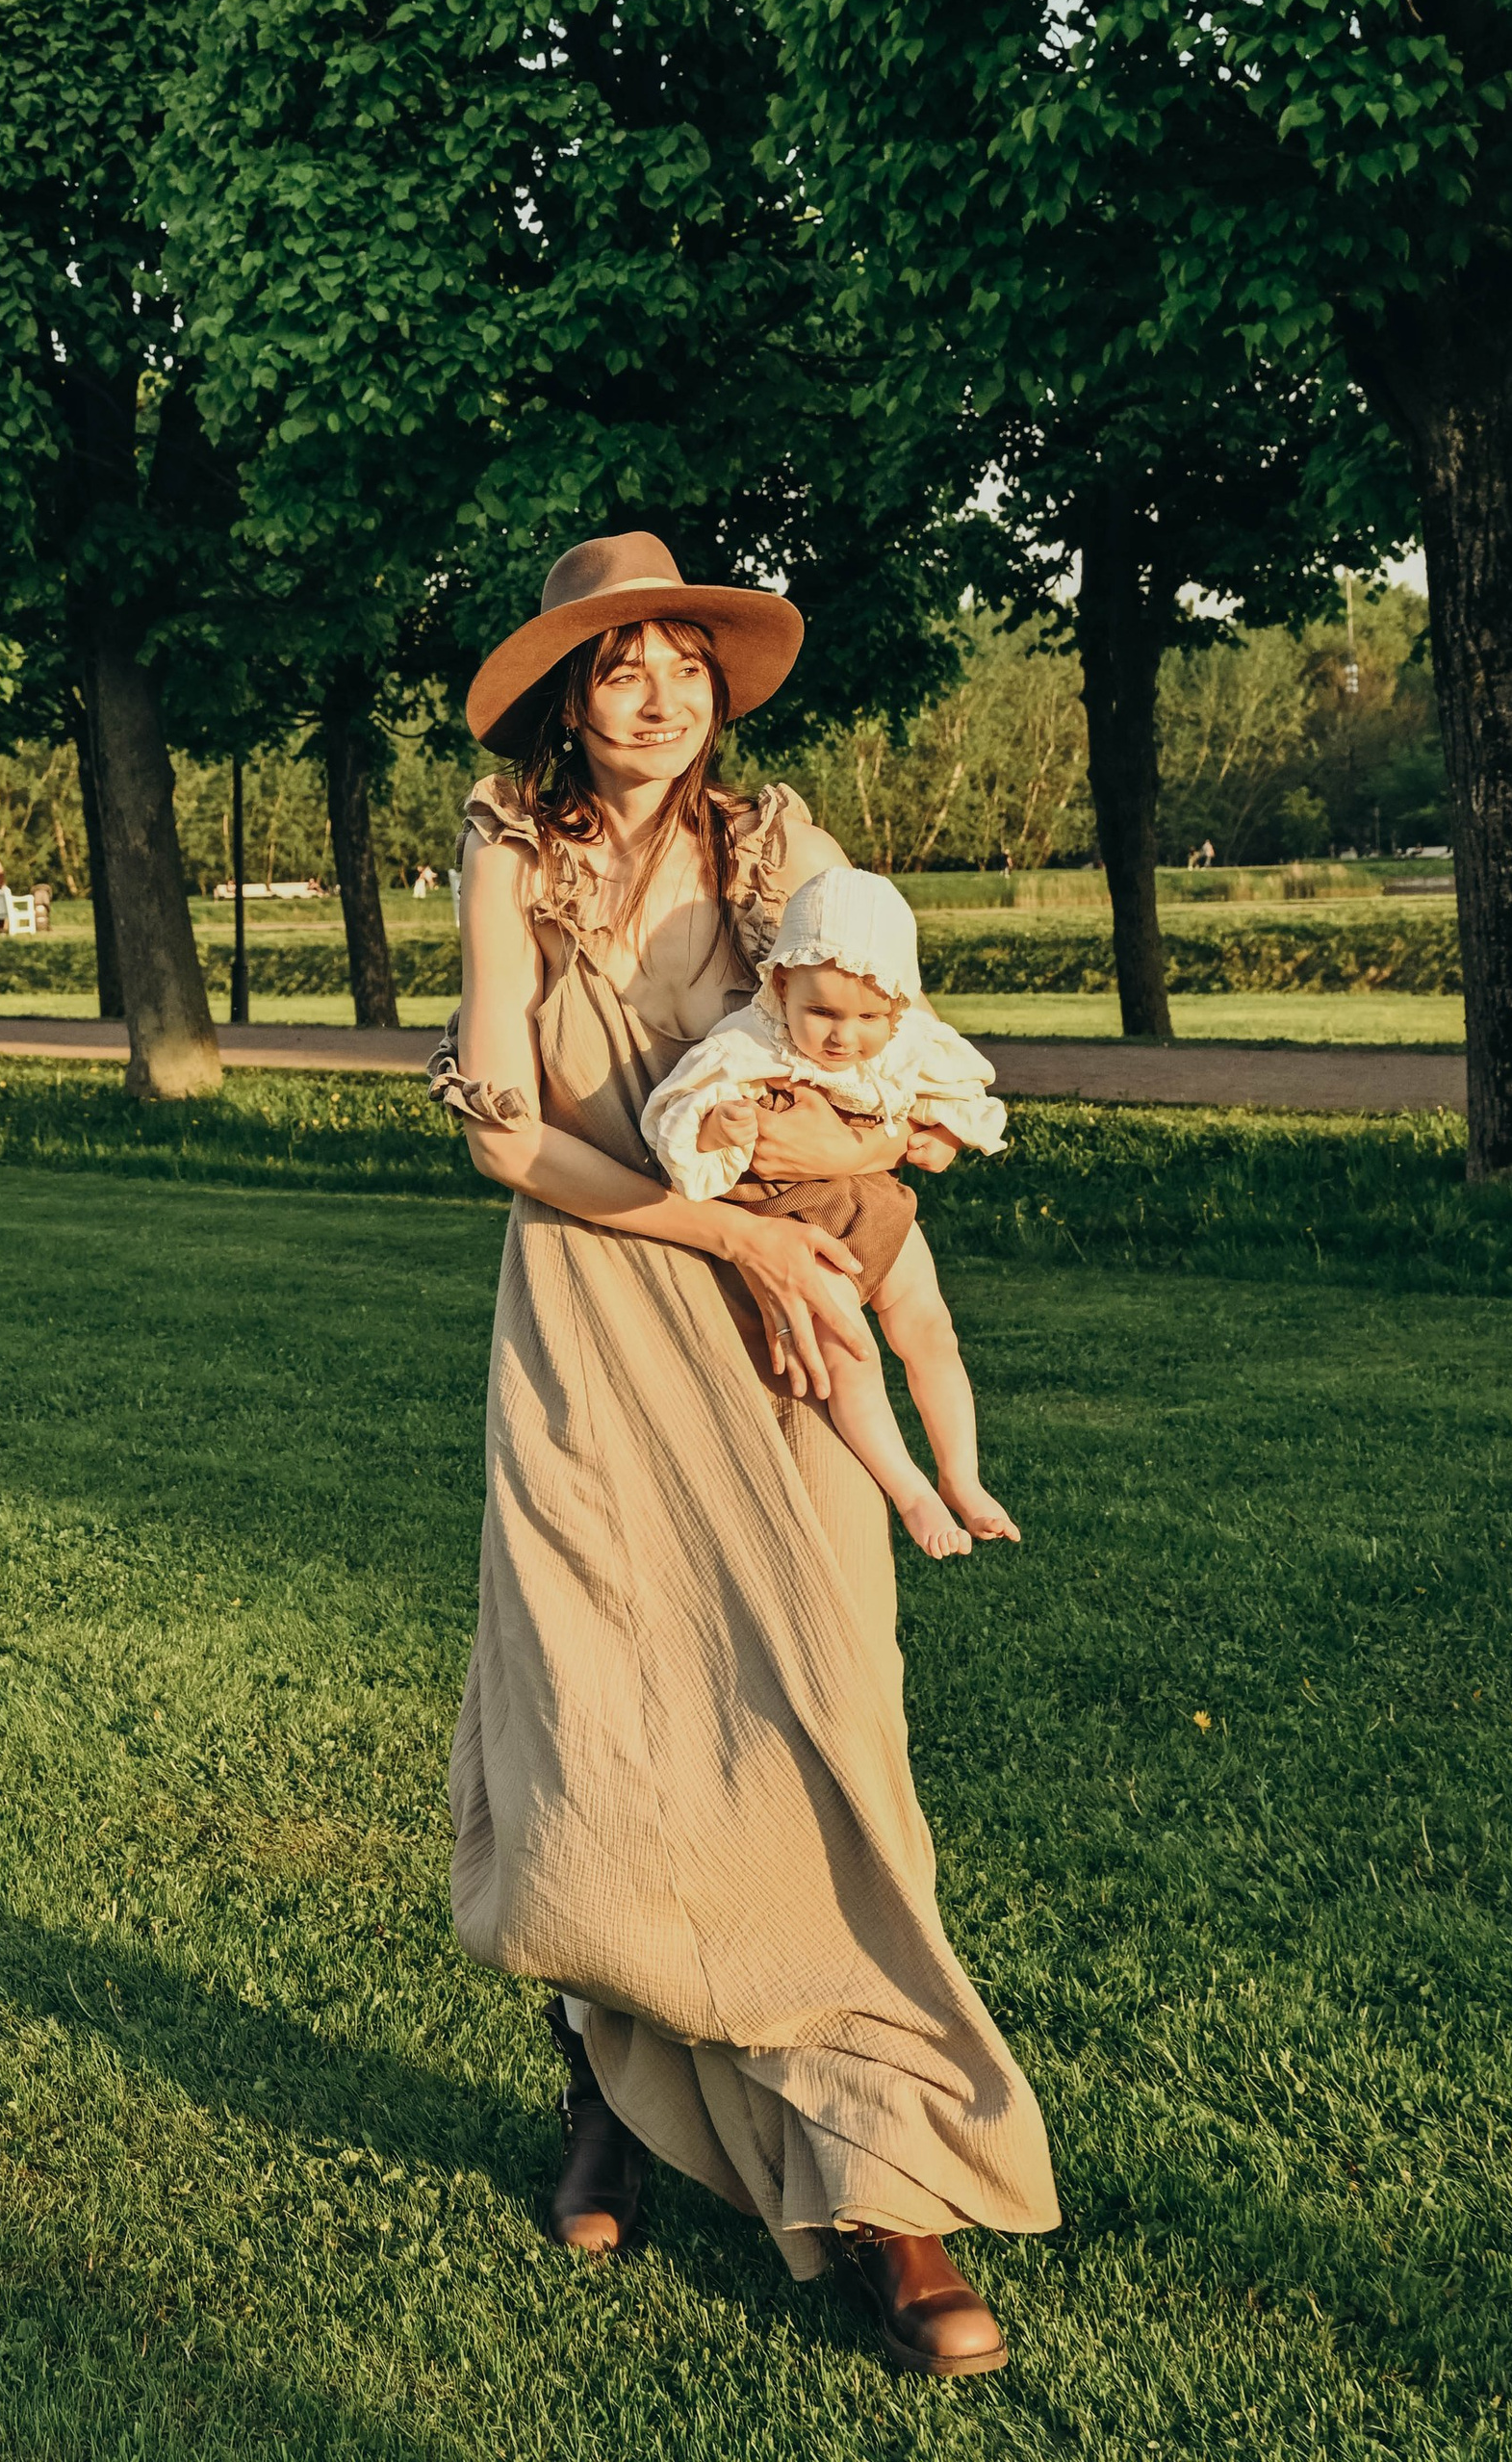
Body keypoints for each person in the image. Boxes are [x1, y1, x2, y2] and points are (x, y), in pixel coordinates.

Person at [435, 532, 1058, 2377]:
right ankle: (615, 2087)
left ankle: (893, 2183)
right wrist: (741, 1237)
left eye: (683, 661)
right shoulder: (501, 846)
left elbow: (873, 1075)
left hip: (776, 1342)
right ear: (567, 690)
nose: (655, 690)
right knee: (600, 1728)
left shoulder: (776, 847)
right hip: (591, 1327)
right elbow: (503, 1138)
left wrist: (833, 1233)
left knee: (822, 1712)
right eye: (617, 662)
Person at [641, 862, 1019, 1559]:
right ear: (782, 984)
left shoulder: (904, 1040)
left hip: (880, 1203)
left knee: (931, 1333)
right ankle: (911, 1491)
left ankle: (961, 1474)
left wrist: (943, 1133)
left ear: (897, 1005)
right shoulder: (747, 1044)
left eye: (869, 1018)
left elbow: (959, 1083)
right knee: (851, 1353)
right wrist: (720, 1130)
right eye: (824, 1014)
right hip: (801, 1219)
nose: (846, 1037)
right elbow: (675, 1113)